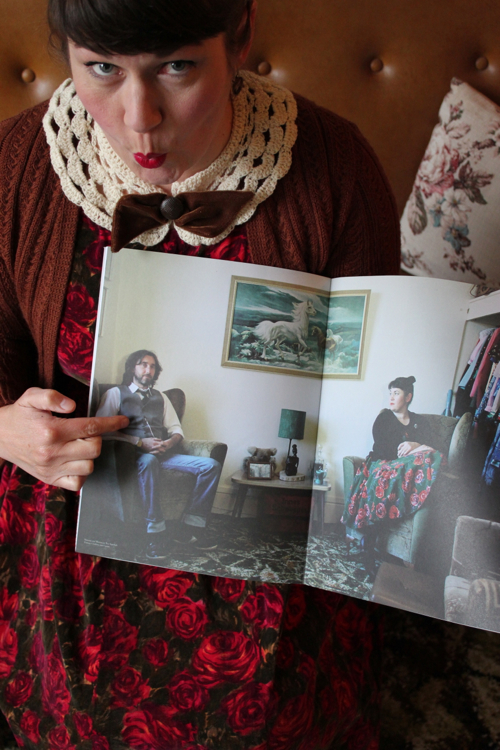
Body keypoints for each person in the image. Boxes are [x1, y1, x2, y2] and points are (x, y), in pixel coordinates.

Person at [0, 0, 401, 747]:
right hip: (73, 511)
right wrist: (7, 429)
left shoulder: (335, 165)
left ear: (240, 35)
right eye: (101, 69)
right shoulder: (21, 163)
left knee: (274, 715)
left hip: (259, 551)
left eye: (177, 67)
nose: (140, 118)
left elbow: (372, 372)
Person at [94, 349, 221, 558]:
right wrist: (139, 442)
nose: (148, 370)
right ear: (132, 368)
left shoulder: (161, 398)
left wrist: (169, 443)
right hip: (132, 456)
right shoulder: (115, 394)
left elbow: (177, 429)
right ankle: (155, 533)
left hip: (164, 454)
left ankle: (189, 528)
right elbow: (102, 429)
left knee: (211, 466)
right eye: (143, 364)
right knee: (149, 461)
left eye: (152, 366)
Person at [342, 376, 444, 577]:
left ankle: (371, 540)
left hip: (406, 474)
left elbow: (433, 448)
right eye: (390, 393)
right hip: (381, 466)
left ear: (408, 397)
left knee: (432, 457)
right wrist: (413, 451)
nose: (391, 397)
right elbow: (385, 450)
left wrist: (415, 445)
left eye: (396, 393)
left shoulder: (420, 422)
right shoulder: (384, 419)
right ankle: (369, 549)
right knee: (386, 477)